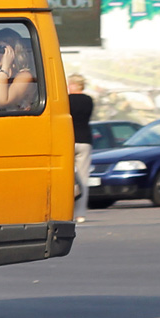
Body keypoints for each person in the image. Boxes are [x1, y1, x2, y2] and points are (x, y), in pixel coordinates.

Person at [68, 73, 93, 223]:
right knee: (84, 179)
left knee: (68, 177)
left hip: (69, 140)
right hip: (85, 141)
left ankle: (67, 211)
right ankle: (81, 214)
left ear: (74, 85)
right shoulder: (88, 100)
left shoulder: (67, 100)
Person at [0, 29, 37, 111]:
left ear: (13, 52)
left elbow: (0, 102)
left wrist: (5, 67)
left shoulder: (25, 76)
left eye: (0, 49)